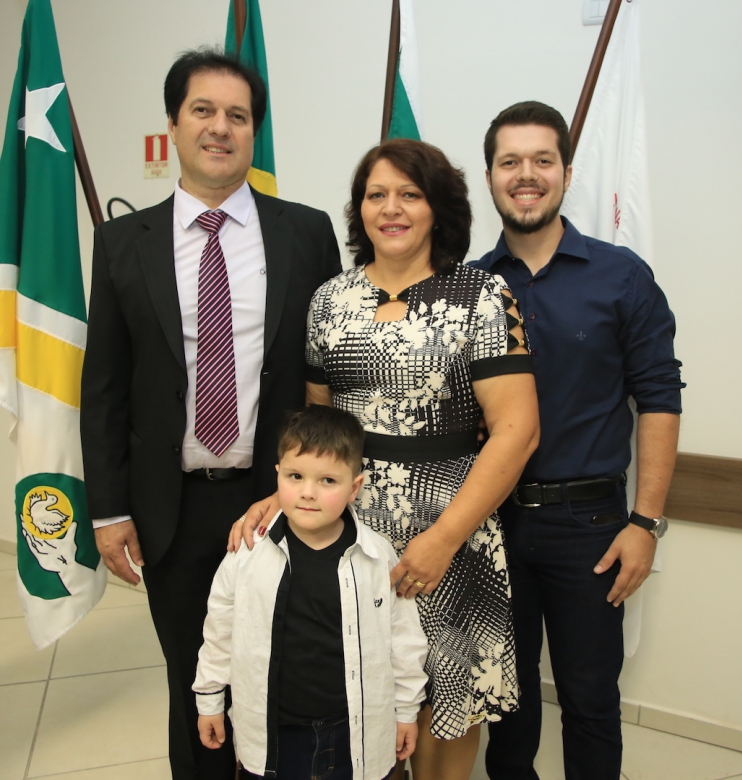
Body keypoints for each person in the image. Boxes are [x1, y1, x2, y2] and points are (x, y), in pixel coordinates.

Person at [236, 138, 540, 780]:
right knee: (362, 689)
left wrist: (443, 539)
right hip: (349, 530)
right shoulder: (329, 301)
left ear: (438, 209)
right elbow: (317, 433)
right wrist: (280, 495)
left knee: (449, 699)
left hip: (454, 528)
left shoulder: (482, 295)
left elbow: (517, 432)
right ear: (360, 209)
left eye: (410, 194)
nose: (391, 208)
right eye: (377, 195)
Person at [80, 48, 341, 780]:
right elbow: (105, 386)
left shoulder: (306, 233)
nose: (220, 128)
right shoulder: (122, 243)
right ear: (173, 125)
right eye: (203, 111)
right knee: (195, 685)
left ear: (254, 131)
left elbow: (327, 372)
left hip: (282, 501)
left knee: (286, 677)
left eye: (237, 115)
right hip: (173, 509)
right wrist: (109, 510)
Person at [472, 101, 684, 780]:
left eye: (543, 160)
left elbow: (659, 397)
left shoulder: (621, 276)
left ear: (567, 173)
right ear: (489, 176)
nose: (526, 174)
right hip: (492, 521)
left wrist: (645, 523)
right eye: (510, 161)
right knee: (506, 708)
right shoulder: (469, 287)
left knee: (591, 703)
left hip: (590, 527)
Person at [194, 405, 429, 780]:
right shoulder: (247, 553)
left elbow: (404, 640)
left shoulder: (377, 556)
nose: (307, 492)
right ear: (278, 475)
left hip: (357, 733)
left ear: (354, 488)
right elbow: (219, 630)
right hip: (274, 733)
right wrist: (209, 700)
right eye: (295, 476)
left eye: (328, 481)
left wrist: (406, 711)